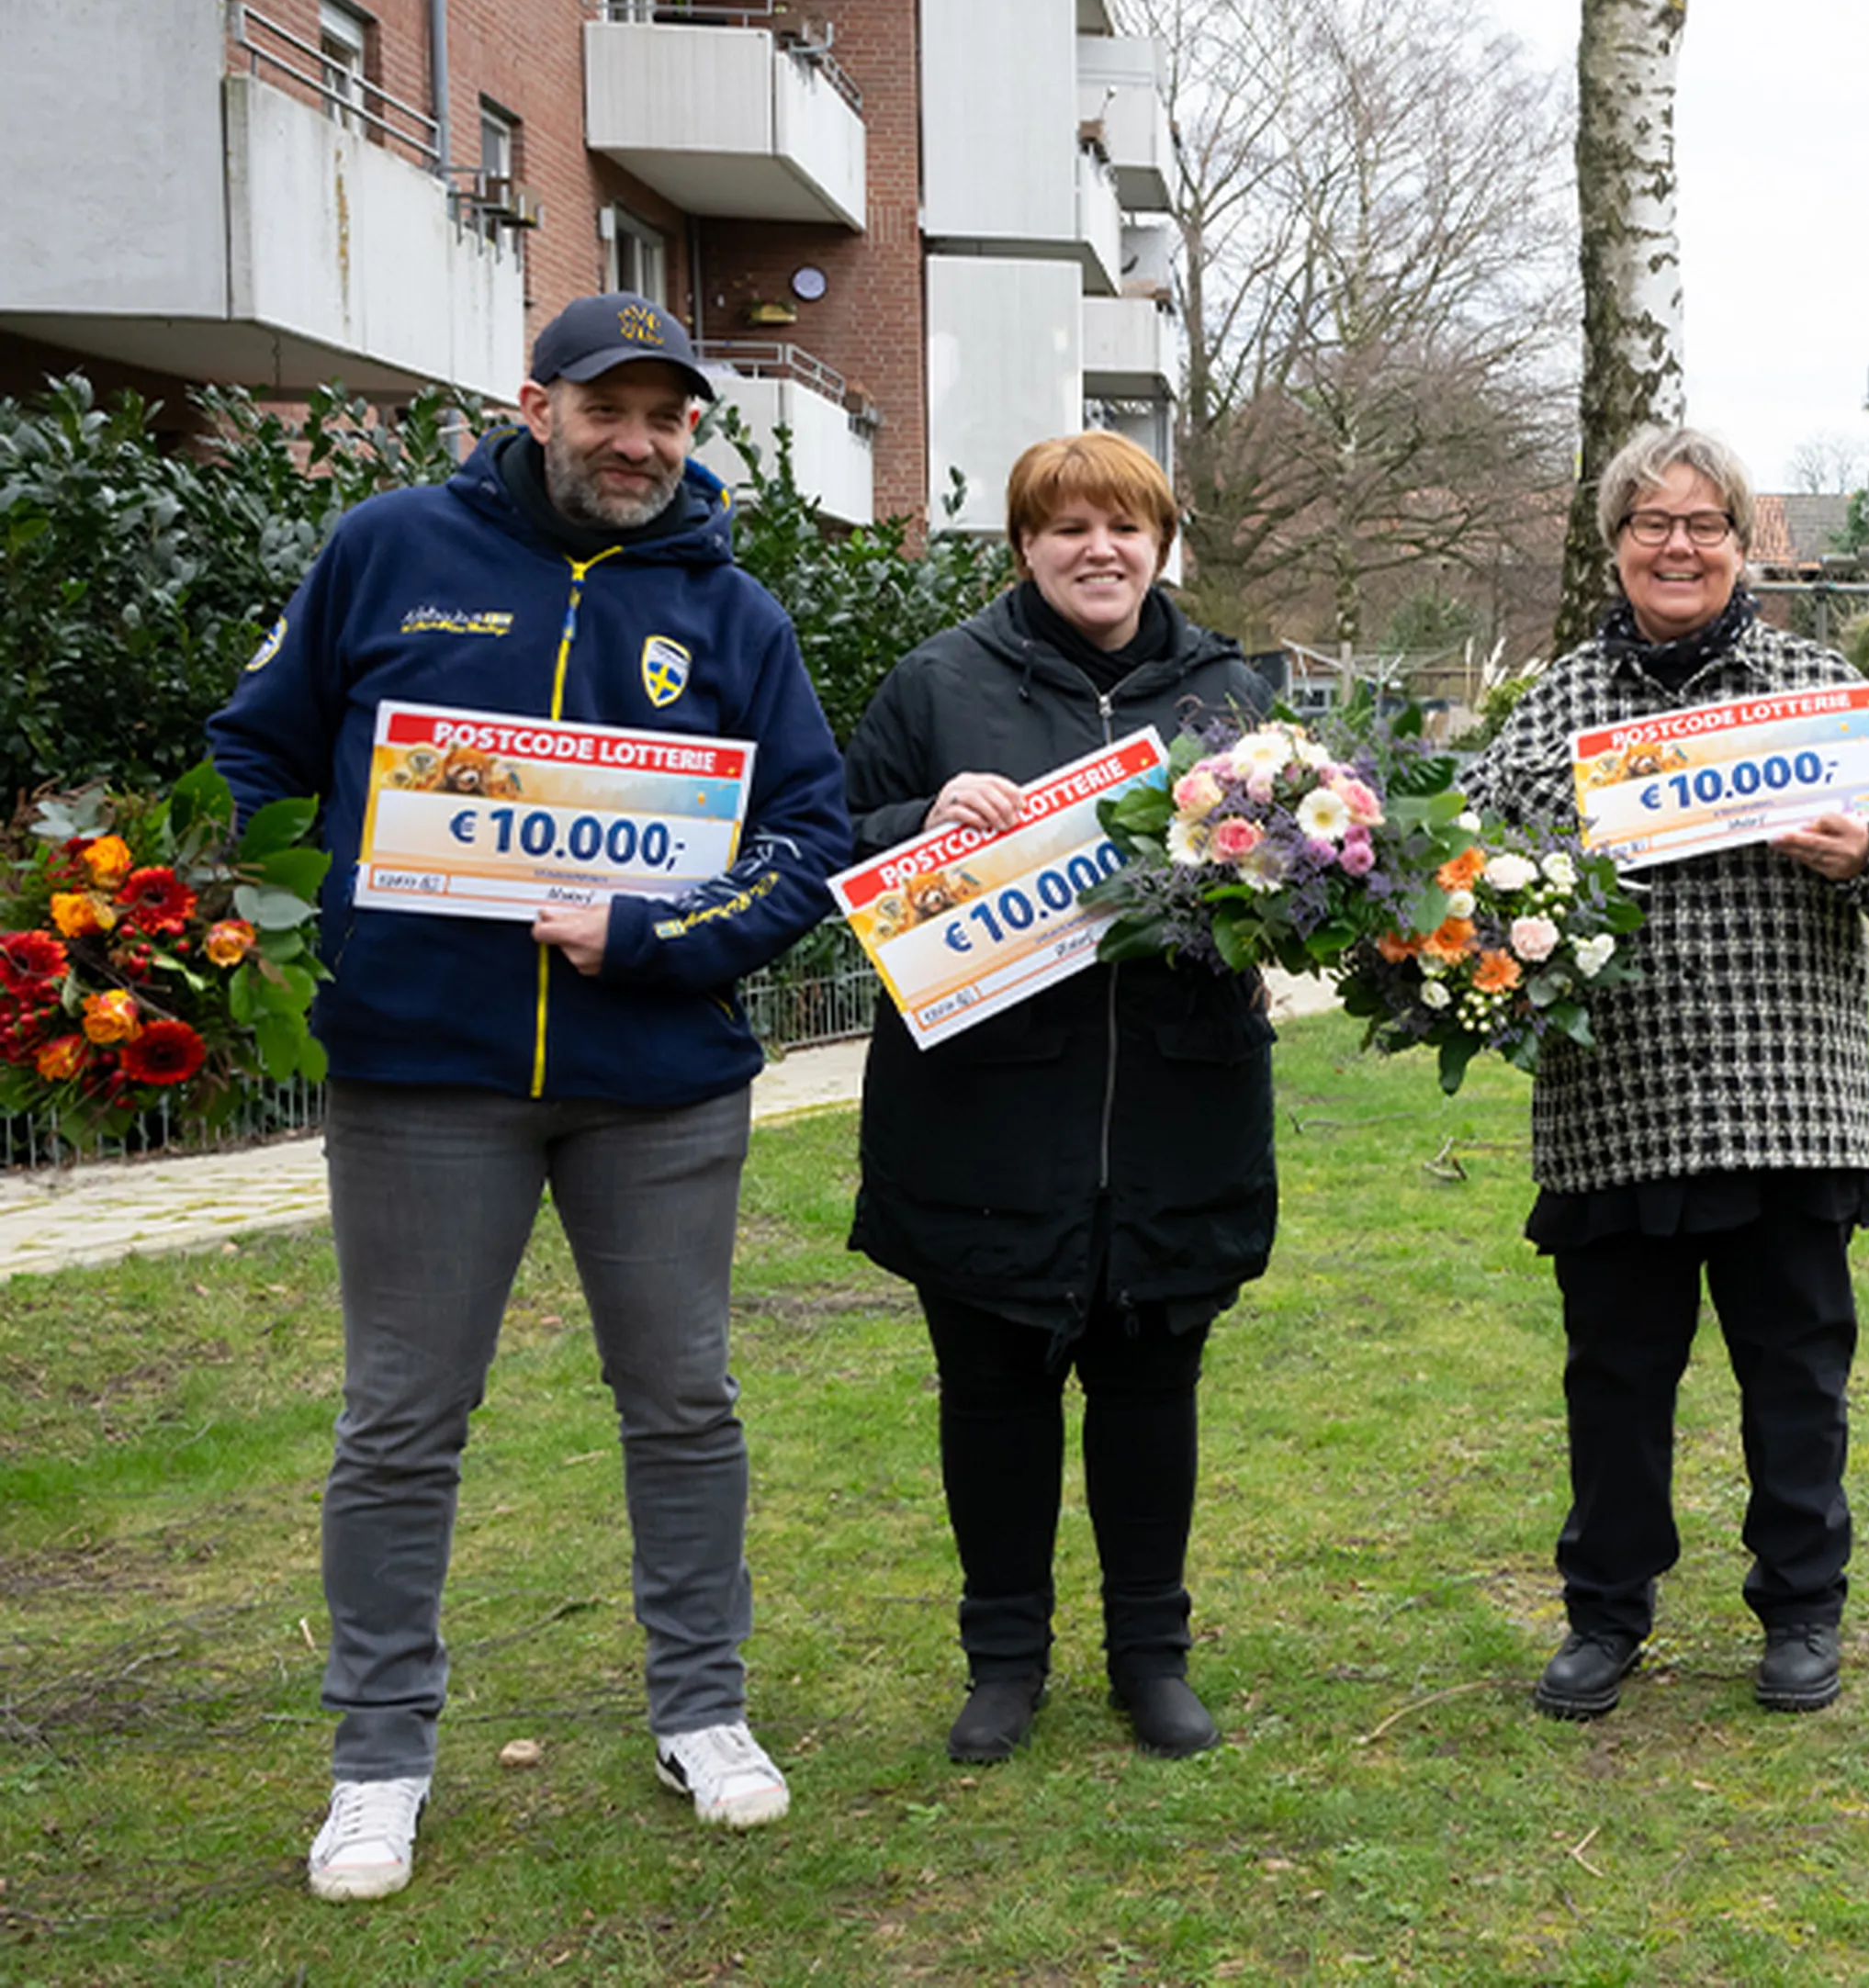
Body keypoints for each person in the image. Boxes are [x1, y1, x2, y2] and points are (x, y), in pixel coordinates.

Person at [208, 293, 851, 1901]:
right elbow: (252, 759)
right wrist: (315, 923)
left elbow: (811, 837)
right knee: (402, 1420)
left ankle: (702, 1708)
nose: (638, 442)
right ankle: (378, 1756)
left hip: (659, 1083)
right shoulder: (386, 550)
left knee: (686, 1404)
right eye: (607, 408)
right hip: (423, 1071)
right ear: (537, 402)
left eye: (669, 417)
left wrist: (647, 935)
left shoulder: (734, 614)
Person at [1467, 424, 1869, 1722]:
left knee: (1796, 1379)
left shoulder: (1821, 692)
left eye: (1705, 525)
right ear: (1617, 543)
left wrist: (1863, 856)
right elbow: (1466, 878)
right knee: (1615, 1384)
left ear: (1744, 544)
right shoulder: (1557, 703)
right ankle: (1604, 1614)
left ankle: (1802, 1611)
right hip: (1614, 1106)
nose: (1678, 547)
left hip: (1786, 1102)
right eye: (1652, 525)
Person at [841, 431, 1277, 1765]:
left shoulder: (1226, 691)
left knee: (1153, 1390)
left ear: (1163, 540)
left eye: (1126, 525)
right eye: (1068, 525)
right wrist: (920, 820)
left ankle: (1152, 1653)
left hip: (1175, 1101)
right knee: (993, 1395)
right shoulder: (938, 682)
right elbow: (836, 845)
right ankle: (1004, 1658)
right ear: (1023, 543)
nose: (1101, 548)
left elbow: (1301, 868)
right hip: (984, 1113)